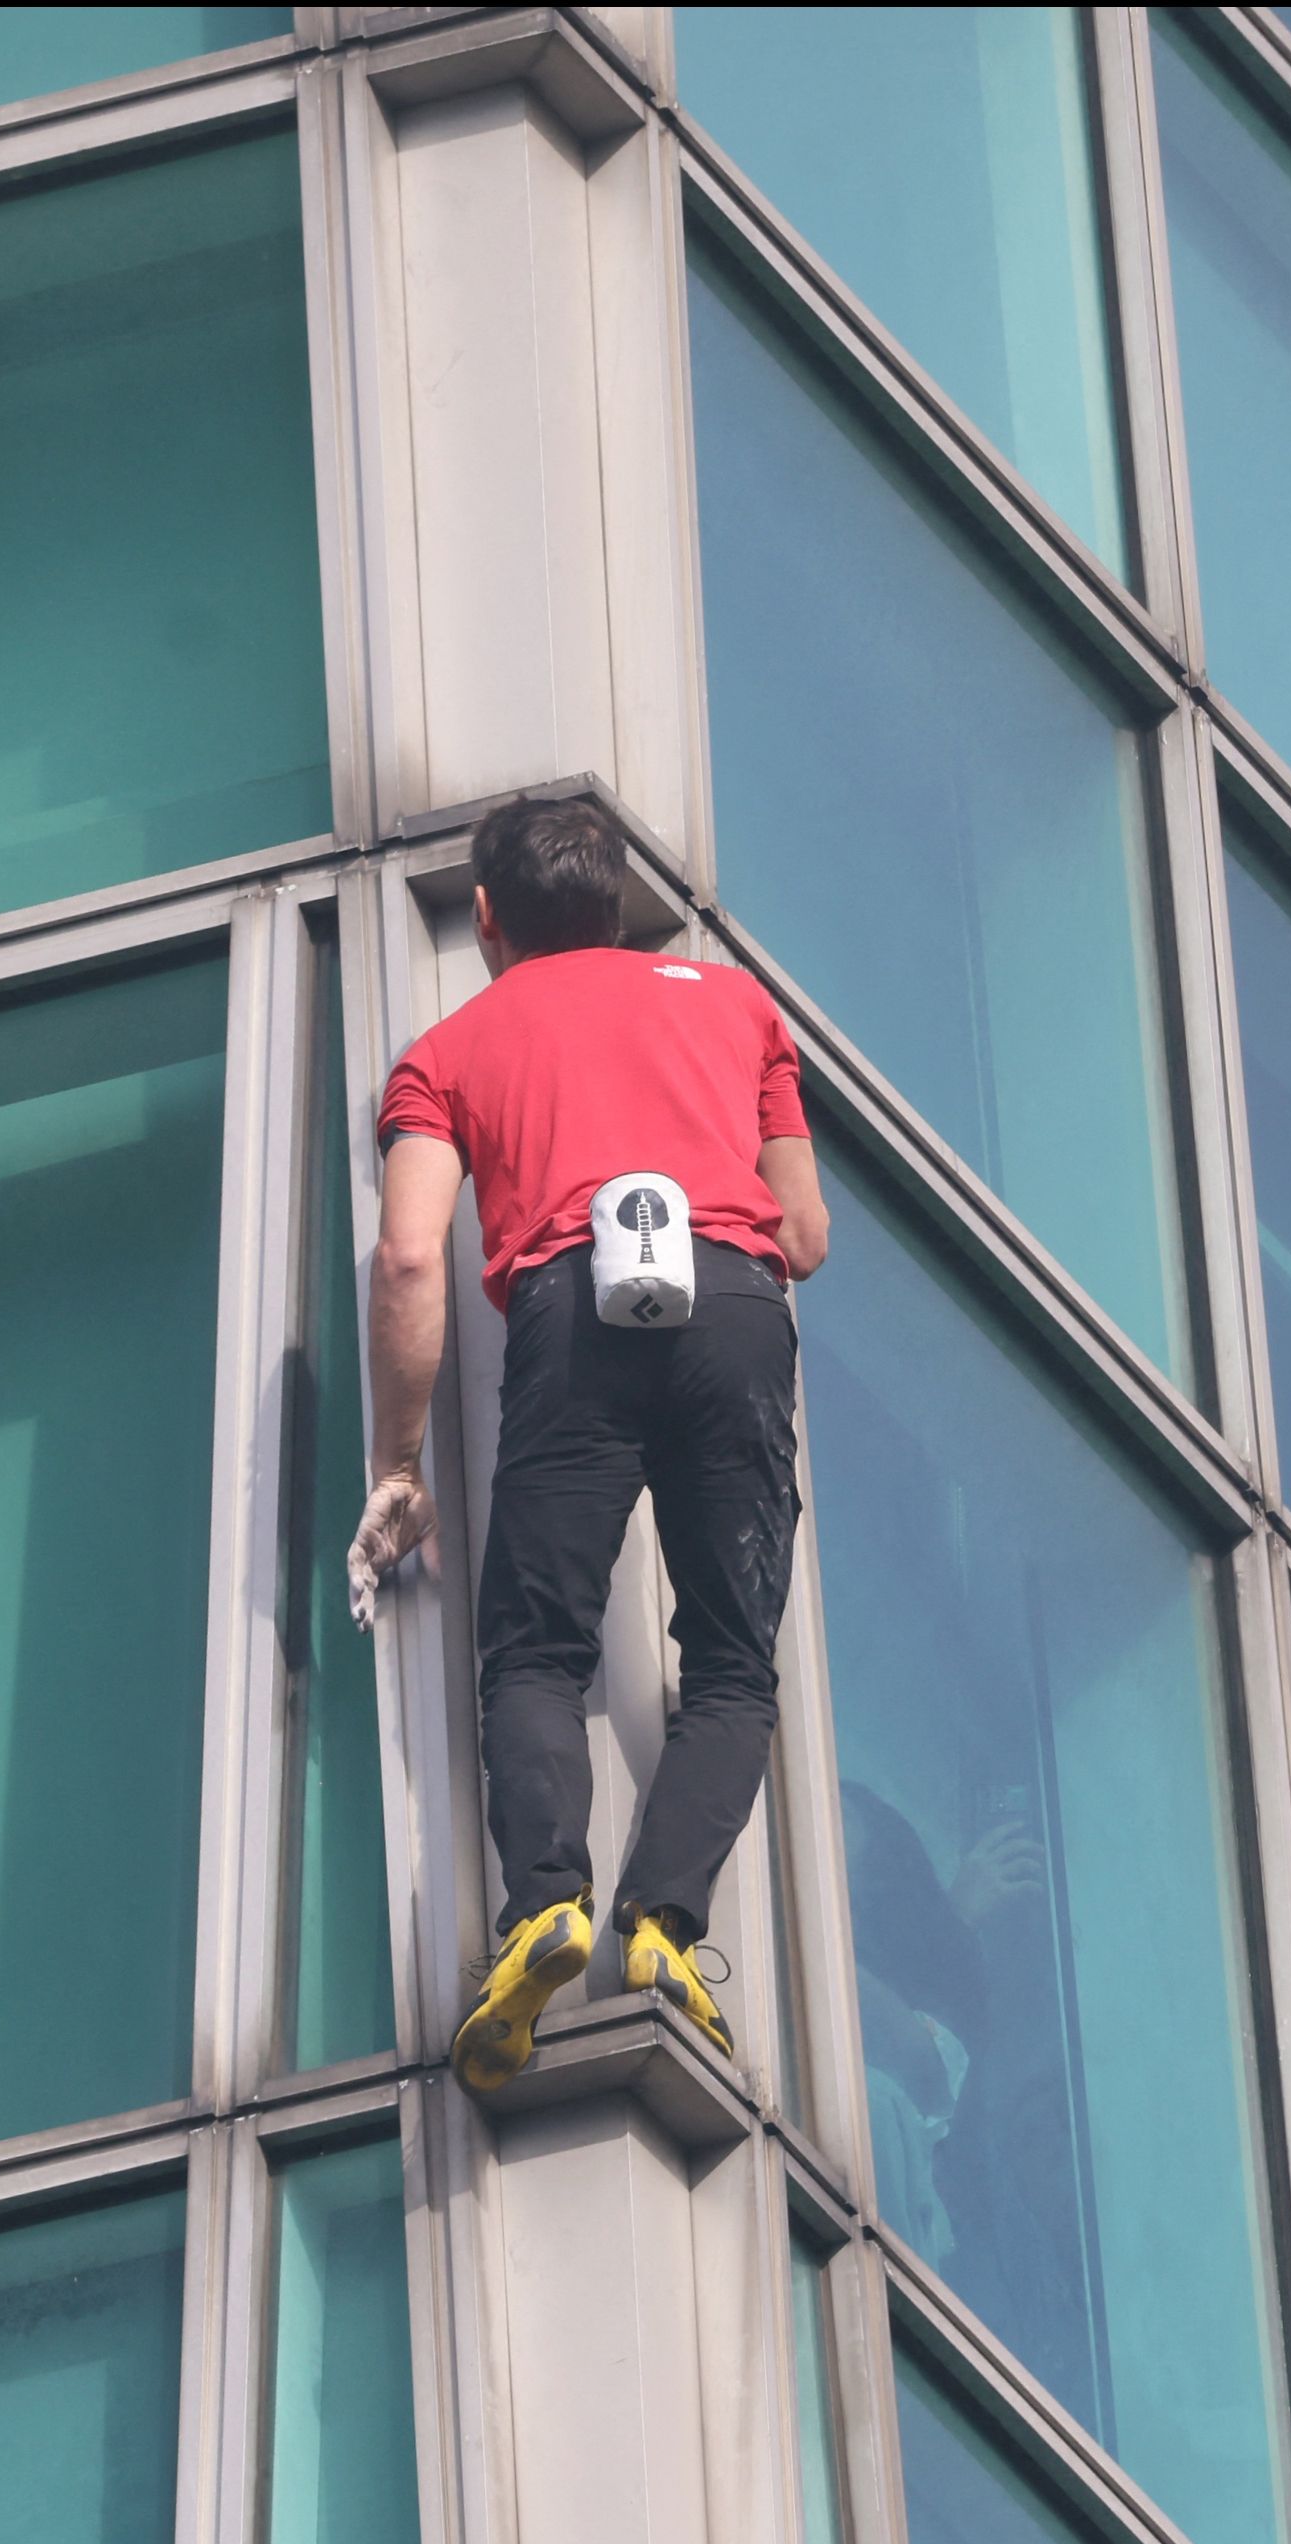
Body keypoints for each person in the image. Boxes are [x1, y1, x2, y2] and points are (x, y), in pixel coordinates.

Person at [349, 794, 829, 2090]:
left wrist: (400, 1462)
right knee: (732, 1662)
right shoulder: (740, 1012)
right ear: (616, 906)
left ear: (490, 919)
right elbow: (806, 1232)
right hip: (732, 1302)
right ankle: (666, 1924)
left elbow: (407, 1256)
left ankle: (546, 1903)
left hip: (572, 1312)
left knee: (536, 1645)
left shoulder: (443, 1051)